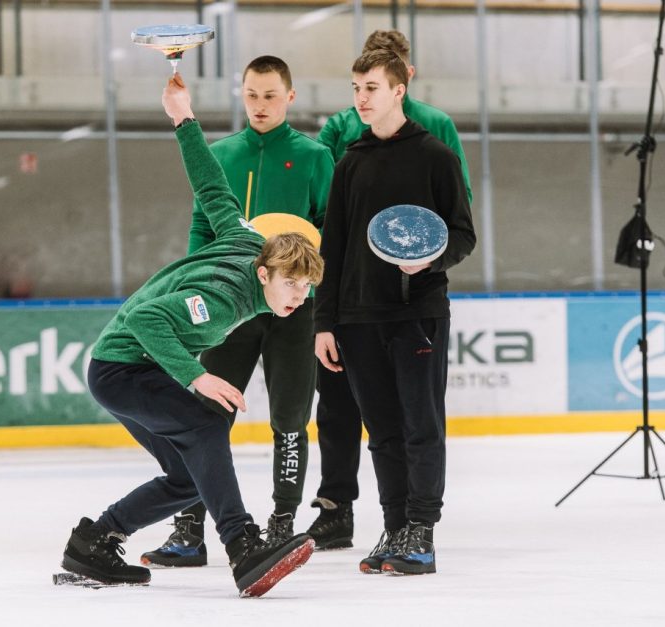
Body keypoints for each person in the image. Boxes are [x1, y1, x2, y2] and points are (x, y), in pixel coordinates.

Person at [59, 73, 322, 597]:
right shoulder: (224, 298)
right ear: (265, 274)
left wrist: (183, 116)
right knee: (206, 425)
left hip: (132, 368)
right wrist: (197, 377)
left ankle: (95, 543)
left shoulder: (244, 236)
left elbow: (209, 184)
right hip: (123, 369)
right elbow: (145, 319)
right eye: (291, 285)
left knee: (186, 477)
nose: (298, 297)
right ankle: (243, 545)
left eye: (307, 288)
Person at [141, 56, 334, 568]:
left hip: (295, 309)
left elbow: (328, 235)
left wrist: (321, 305)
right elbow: (201, 232)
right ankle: (189, 524)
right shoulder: (222, 154)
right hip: (230, 306)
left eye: (270, 95)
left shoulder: (315, 157)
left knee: (291, 417)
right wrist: (193, 291)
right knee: (206, 415)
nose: (260, 105)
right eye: (251, 94)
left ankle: (281, 524)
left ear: (290, 97)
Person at [306, 29, 473, 551]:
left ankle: (421, 530)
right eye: (356, 86)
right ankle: (396, 526)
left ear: (399, 90)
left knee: (420, 425)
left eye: (372, 87)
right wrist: (325, 322)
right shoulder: (350, 163)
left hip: (417, 313)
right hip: (356, 319)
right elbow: (330, 248)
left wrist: (431, 261)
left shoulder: (435, 157)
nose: (361, 97)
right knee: (380, 433)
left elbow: (463, 234)